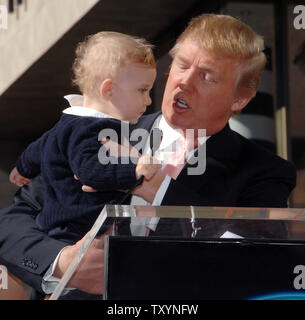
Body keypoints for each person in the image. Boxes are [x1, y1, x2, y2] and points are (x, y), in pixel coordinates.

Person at [0, 14, 296, 300]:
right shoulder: (93, 131)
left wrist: (155, 185)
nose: (184, 82)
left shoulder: (264, 172)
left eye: (206, 77)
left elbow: (256, 261)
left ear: (239, 99)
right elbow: (13, 221)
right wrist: (63, 262)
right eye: (181, 65)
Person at [8, 31, 159, 243]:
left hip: (73, 228)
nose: (149, 100)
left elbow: (39, 148)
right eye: (142, 90)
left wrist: (23, 168)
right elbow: (89, 171)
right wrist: (135, 170)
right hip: (78, 232)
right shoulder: (90, 130)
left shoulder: (70, 122)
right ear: (108, 90)